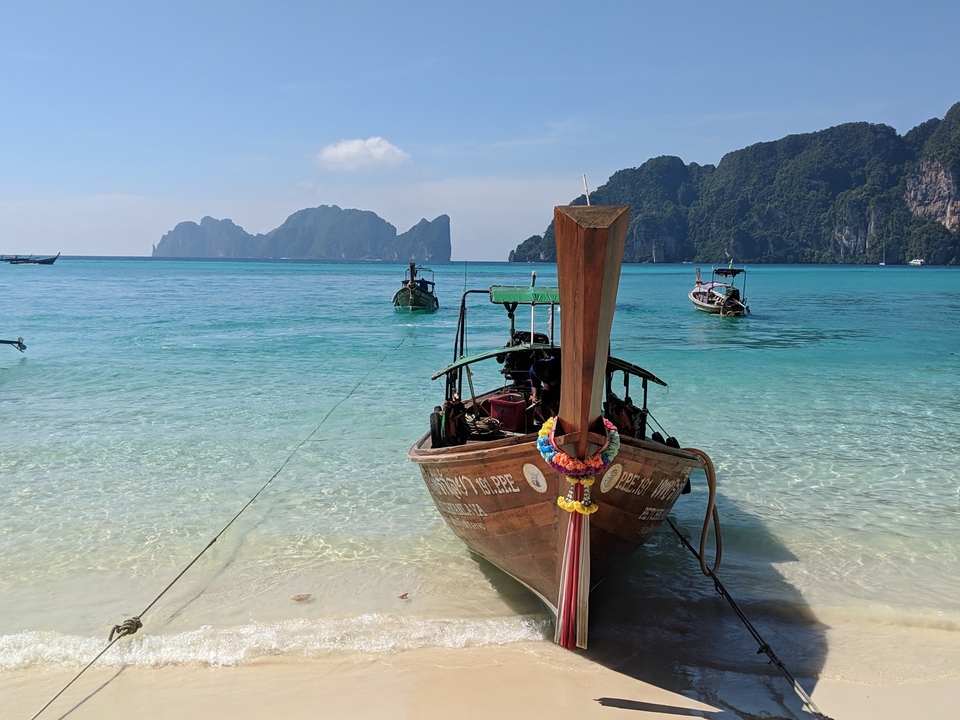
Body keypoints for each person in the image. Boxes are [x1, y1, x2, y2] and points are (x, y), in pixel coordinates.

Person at [529, 355, 560, 423]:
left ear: (548, 369)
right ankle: (549, 423)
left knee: (560, 404)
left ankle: (559, 419)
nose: (542, 379)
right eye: (540, 378)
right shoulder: (532, 371)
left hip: (561, 382)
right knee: (544, 404)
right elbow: (535, 384)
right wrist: (535, 396)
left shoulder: (556, 365)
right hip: (549, 384)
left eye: (544, 377)